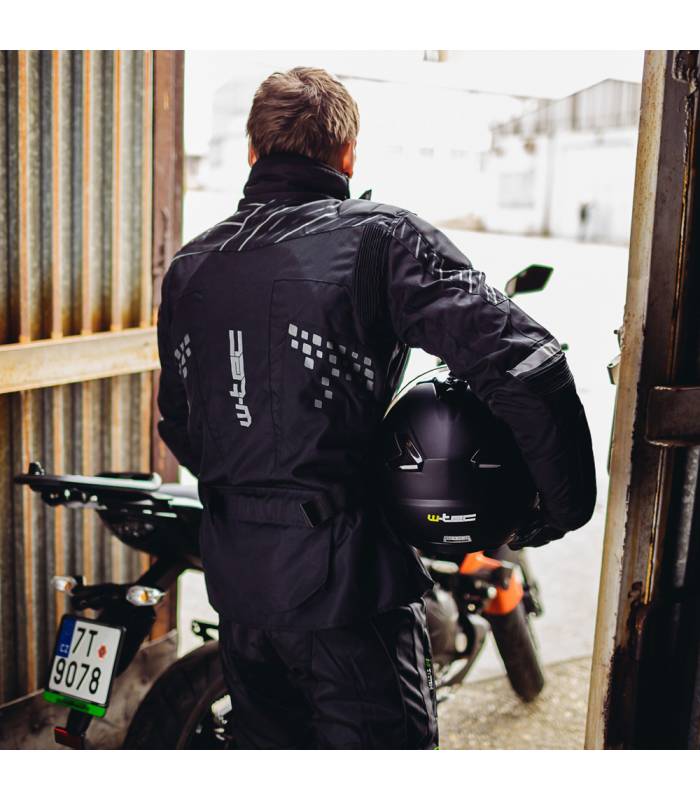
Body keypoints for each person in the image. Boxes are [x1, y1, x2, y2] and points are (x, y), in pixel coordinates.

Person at [156, 67, 596, 749]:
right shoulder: (379, 238)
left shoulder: (193, 265)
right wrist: (561, 508)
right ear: (348, 153)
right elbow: (526, 365)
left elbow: (184, 425)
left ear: (252, 151)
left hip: (240, 592)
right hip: (350, 594)